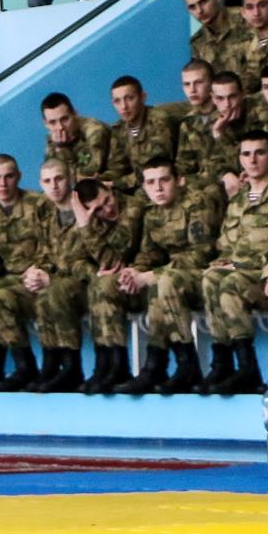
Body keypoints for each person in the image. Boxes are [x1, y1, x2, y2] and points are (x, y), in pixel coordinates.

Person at [104, 157, 220, 395]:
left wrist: (152, 275)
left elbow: (202, 254)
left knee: (164, 282)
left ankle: (185, 365)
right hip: (169, 278)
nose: (157, 188)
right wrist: (134, 271)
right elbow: (150, 253)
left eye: (164, 180)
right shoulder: (152, 213)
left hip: (203, 276)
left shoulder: (197, 204)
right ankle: (152, 366)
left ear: (178, 180)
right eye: (150, 182)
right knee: (112, 283)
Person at [198, 130, 268, 395]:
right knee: (211, 277)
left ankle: (248, 367)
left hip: (267, 279)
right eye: (246, 154)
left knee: (230, 283)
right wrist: (224, 262)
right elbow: (226, 244)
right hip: (240, 274)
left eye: (260, 153)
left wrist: (238, 266)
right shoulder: (238, 200)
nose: (252, 160)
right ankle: (223, 362)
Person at [26, 178, 139, 393]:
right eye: (97, 209)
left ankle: (116, 365)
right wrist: (93, 272)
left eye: (107, 200)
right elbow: (73, 261)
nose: (107, 209)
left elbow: (114, 259)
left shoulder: (132, 209)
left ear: (109, 188)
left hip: (130, 282)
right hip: (97, 281)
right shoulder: (85, 217)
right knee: (53, 291)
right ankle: (69, 366)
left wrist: (86, 227)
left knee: (102, 287)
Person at [0, 154, 59, 392]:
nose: (3, 184)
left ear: (18, 177)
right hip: (10, 283)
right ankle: (12, 364)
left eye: (8, 177)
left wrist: (41, 269)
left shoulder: (39, 205)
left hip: (38, 280)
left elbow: (55, 244)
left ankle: (16, 365)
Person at [178, 70, 249, 198]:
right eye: (220, 98)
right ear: (213, 98)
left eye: (232, 97)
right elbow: (190, 163)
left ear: (242, 95)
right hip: (216, 179)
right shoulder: (205, 121)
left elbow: (245, 164)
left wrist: (219, 135)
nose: (227, 104)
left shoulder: (254, 116)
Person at [108, 75, 177, 193]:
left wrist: (115, 183)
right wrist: (99, 180)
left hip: (163, 184)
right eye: (117, 101)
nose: (124, 106)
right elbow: (118, 166)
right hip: (139, 186)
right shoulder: (118, 129)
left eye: (129, 98)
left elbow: (155, 169)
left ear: (142, 97)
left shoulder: (159, 121)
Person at [41, 91, 121, 189]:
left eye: (64, 119)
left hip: (116, 182)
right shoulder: (53, 140)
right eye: (53, 122)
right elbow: (51, 173)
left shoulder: (94, 130)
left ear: (75, 114)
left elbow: (90, 172)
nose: (60, 127)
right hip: (91, 189)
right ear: (45, 124)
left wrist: (63, 149)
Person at [185, 0, 244, 77]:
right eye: (192, 7)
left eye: (203, 2)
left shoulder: (246, 18)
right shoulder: (197, 42)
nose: (199, 11)